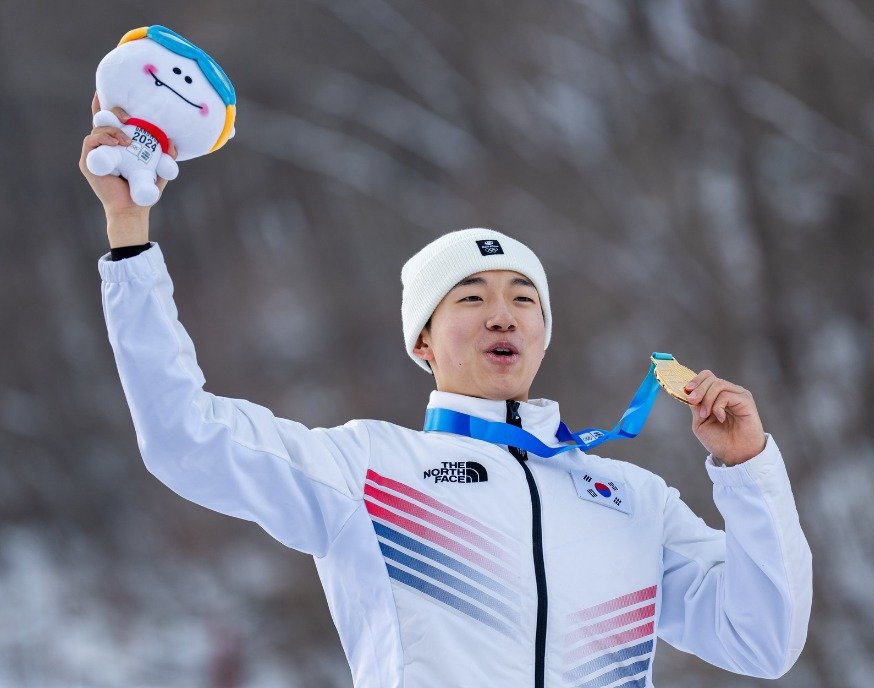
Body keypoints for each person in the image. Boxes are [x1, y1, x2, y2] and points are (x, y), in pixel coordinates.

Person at [80, 101, 813, 688]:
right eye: (469, 297)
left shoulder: (632, 499)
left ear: (543, 335)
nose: (502, 312)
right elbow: (184, 437)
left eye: (523, 298)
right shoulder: (368, 469)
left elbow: (761, 640)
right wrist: (130, 239)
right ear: (422, 344)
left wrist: (748, 471)